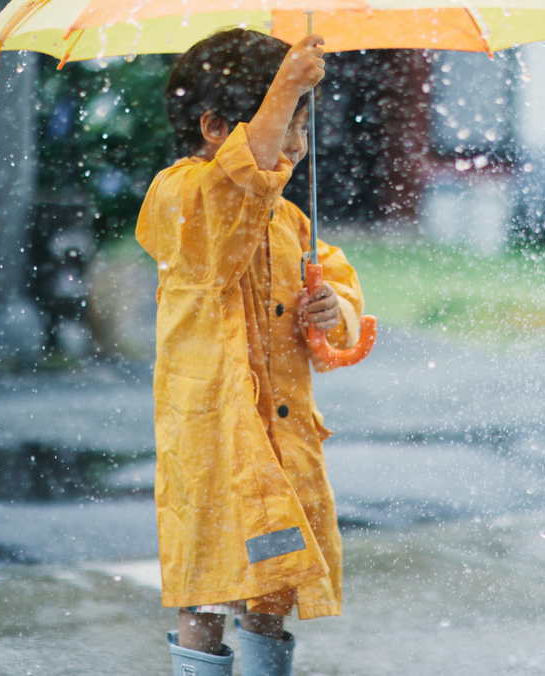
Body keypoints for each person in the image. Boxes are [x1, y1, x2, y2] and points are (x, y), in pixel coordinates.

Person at [135, 28, 365, 676]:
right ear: (214, 127)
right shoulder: (179, 195)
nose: (297, 144)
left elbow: (339, 287)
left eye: (302, 126)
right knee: (206, 584)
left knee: (272, 584)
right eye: (288, 124)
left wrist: (334, 310)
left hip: (277, 445)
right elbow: (237, 186)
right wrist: (288, 79)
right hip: (213, 443)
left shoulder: (288, 220)